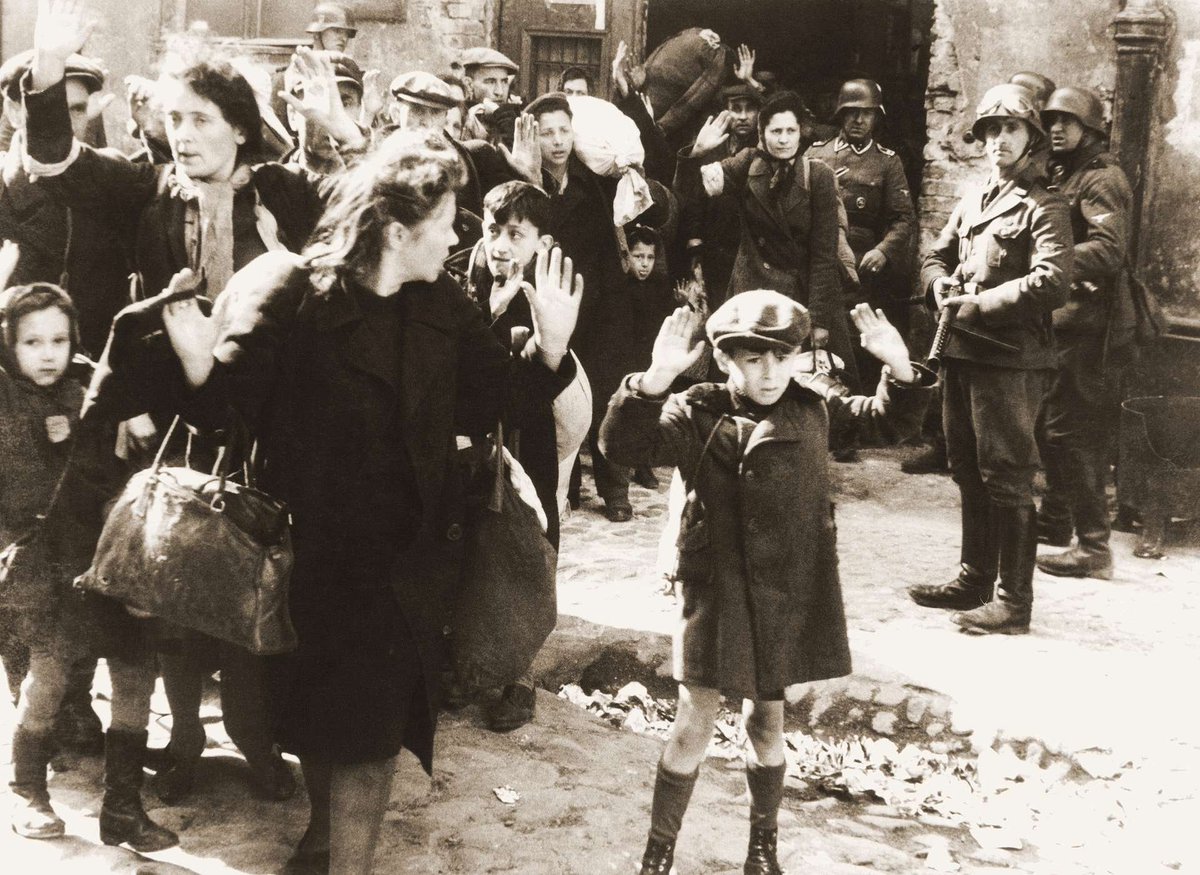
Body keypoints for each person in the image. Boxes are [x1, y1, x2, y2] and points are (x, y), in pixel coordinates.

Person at [160, 130, 582, 875]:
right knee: (325, 722)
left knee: (372, 734)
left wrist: (549, 348)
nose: (455, 237)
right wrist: (198, 368)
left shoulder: (443, 303)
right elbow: (226, 415)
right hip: (309, 556)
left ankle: (344, 861)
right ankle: (324, 838)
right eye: (445, 221)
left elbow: (491, 401)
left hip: (406, 561)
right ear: (396, 230)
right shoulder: (297, 295)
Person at [598, 290, 933, 875]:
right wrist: (653, 382)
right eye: (753, 359)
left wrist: (900, 369)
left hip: (784, 590)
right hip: (716, 588)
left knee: (767, 721)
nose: (771, 372)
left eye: (783, 356)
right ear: (726, 359)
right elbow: (621, 446)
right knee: (693, 722)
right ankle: (657, 856)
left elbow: (889, 422)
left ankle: (762, 850)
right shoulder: (695, 410)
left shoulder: (816, 407)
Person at [907, 83, 1073, 635]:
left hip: (1011, 360)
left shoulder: (1044, 205)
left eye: (1011, 129)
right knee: (965, 468)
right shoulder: (975, 197)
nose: (999, 139)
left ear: (1031, 138)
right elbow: (934, 255)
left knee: (1007, 475)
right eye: (991, 130)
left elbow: (1053, 282)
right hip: (961, 352)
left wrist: (983, 303)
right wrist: (938, 286)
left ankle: (1013, 601)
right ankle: (973, 579)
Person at [678, 90, 860, 390]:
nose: (784, 139)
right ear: (762, 133)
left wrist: (818, 320)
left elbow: (824, 254)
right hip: (753, 291)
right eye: (776, 131)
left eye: (790, 131)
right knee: (749, 380)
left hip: (802, 294)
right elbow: (693, 194)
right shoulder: (748, 163)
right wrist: (696, 155)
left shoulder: (818, 176)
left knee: (809, 384)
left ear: (801, 132)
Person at [1034, 86, 1136, 580]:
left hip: (1092, 328)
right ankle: (1055, 521)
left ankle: (1094, 547)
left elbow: (1109, 249)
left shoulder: (1102, 178)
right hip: (1066, 322)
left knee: (1073, 432)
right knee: (1052, 426)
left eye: (1068, 121)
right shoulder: (1065, 172)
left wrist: (1047, 258)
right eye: (1051, 120)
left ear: (1090, 129)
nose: (1056, 128)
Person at [524, 92, 632, 521]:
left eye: (563, 131)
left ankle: (615, 488)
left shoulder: (594, 182)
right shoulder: (526, 182)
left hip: (597, 305)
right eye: (547, 133)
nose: (557, 141)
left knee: (605, 393)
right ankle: (564, 487)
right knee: (556, 397)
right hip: (550, 306)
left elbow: (610, 245)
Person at [806, 78, 916, 388]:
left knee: (858, 343)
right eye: (852, 112)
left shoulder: (887, 162)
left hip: (863, 270)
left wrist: (883, 250)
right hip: (819, 261)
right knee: (815, 340)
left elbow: (903, 218)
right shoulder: (817, 154)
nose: (858, 119)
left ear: (876, 118)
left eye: (866, 113)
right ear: (840, 114)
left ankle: (860, 405)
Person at [460, 47, 522, 145]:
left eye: (504, 82)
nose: (500, 92)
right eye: (490, 82)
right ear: (469, 85)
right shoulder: (458, 120)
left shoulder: (517, 120)